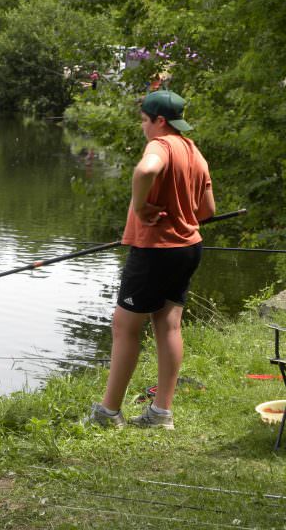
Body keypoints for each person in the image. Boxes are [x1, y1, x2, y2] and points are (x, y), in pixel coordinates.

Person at [87, 90, 215, 430]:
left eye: (144, 121)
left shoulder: (161, 145)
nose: (143, 127)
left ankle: (108, 413)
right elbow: (207, 211)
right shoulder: (193, 150)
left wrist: (142, 207)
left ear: (160, 121)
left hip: (155, 251)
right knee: (168, 325)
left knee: (125, 327)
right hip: (189, 247)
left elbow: (146, 171)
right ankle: (160, 413)